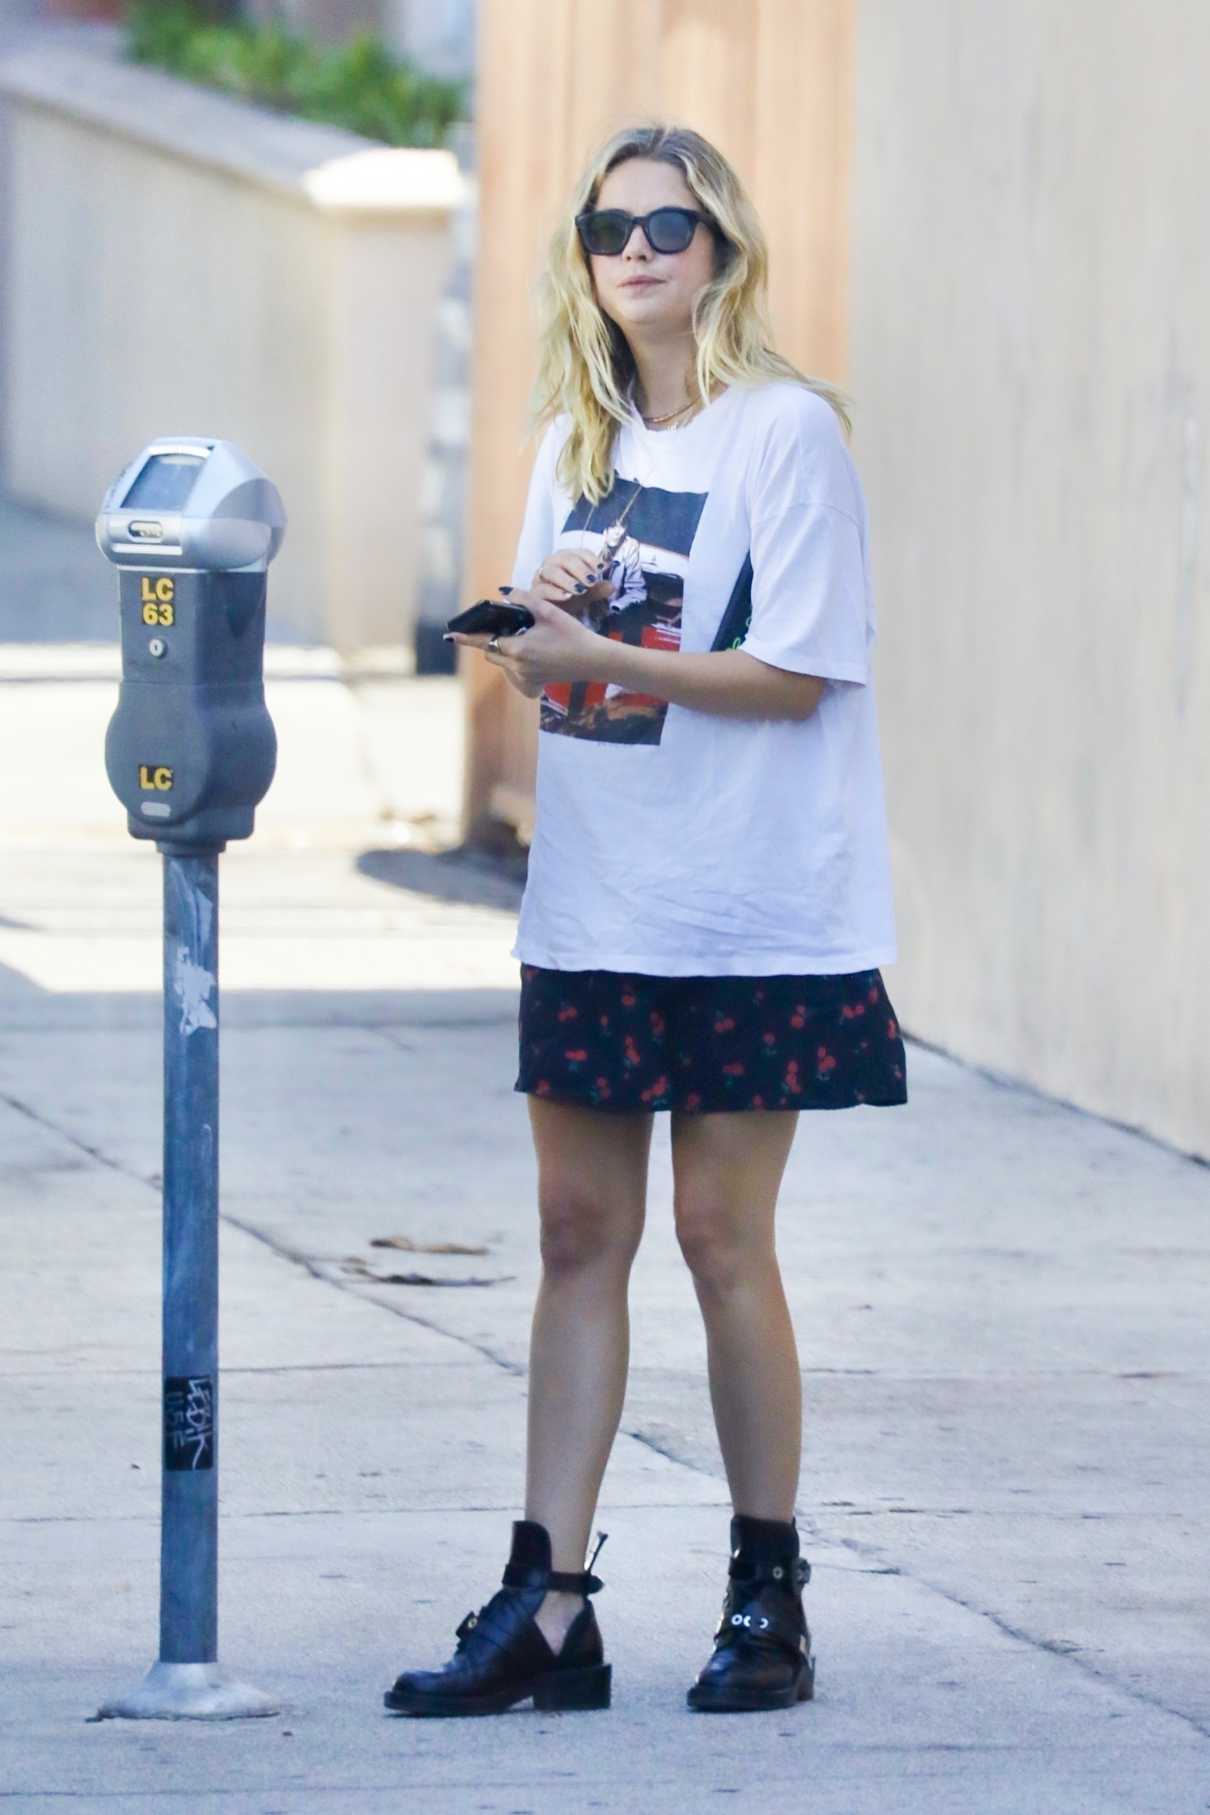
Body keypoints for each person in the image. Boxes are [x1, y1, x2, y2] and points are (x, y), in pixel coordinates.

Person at [384, 121, 907, 1720]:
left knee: (717, 1239)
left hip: (751, 909)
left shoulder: (786, 434)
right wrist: (544, 641)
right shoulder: (578, 440)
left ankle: (768, 1597)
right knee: (574, 1239)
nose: (637, 252)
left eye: (668, 226)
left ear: (721, 247)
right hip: (599, 893)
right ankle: (550, 1601)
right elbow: (593, 656)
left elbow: (799, 670)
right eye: (609, 228)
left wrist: (602, 662)